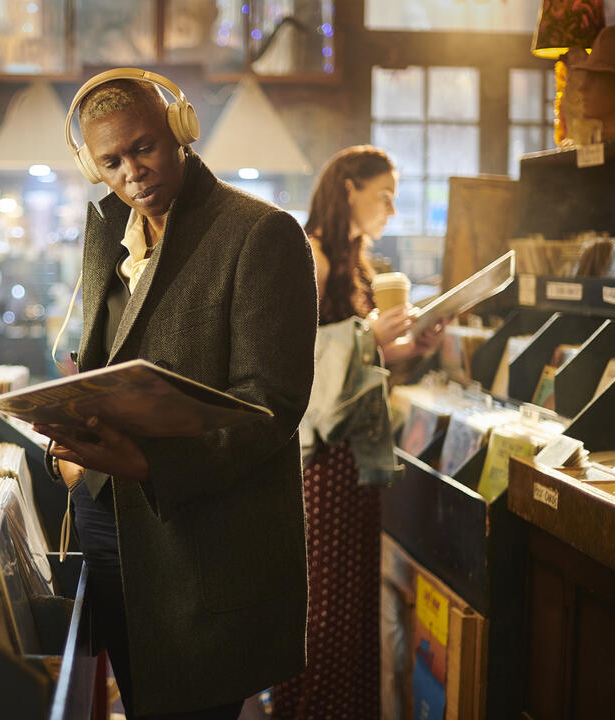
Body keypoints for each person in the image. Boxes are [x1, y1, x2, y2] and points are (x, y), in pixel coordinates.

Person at [36, 69, 318, 719]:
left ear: (182, 133)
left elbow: (271, 407)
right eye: (110, 160)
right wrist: (70, 445)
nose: (131, 171)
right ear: (91, 166)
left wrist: (150, 465)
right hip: (109, 521)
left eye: (143, 147)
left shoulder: (260, 233)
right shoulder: (110, 230)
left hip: (202, 540)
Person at [272, 146, 444, 720]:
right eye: (385, 196)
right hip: (319, 460)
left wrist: (408, 347)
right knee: (323, 604)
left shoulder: (357, 263)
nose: (391, 211)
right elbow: (291, 362)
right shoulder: (310, 254)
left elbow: (359, 369)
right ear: (349, 187)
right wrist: (369, 331)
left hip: (354, 455)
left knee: (350, 603)